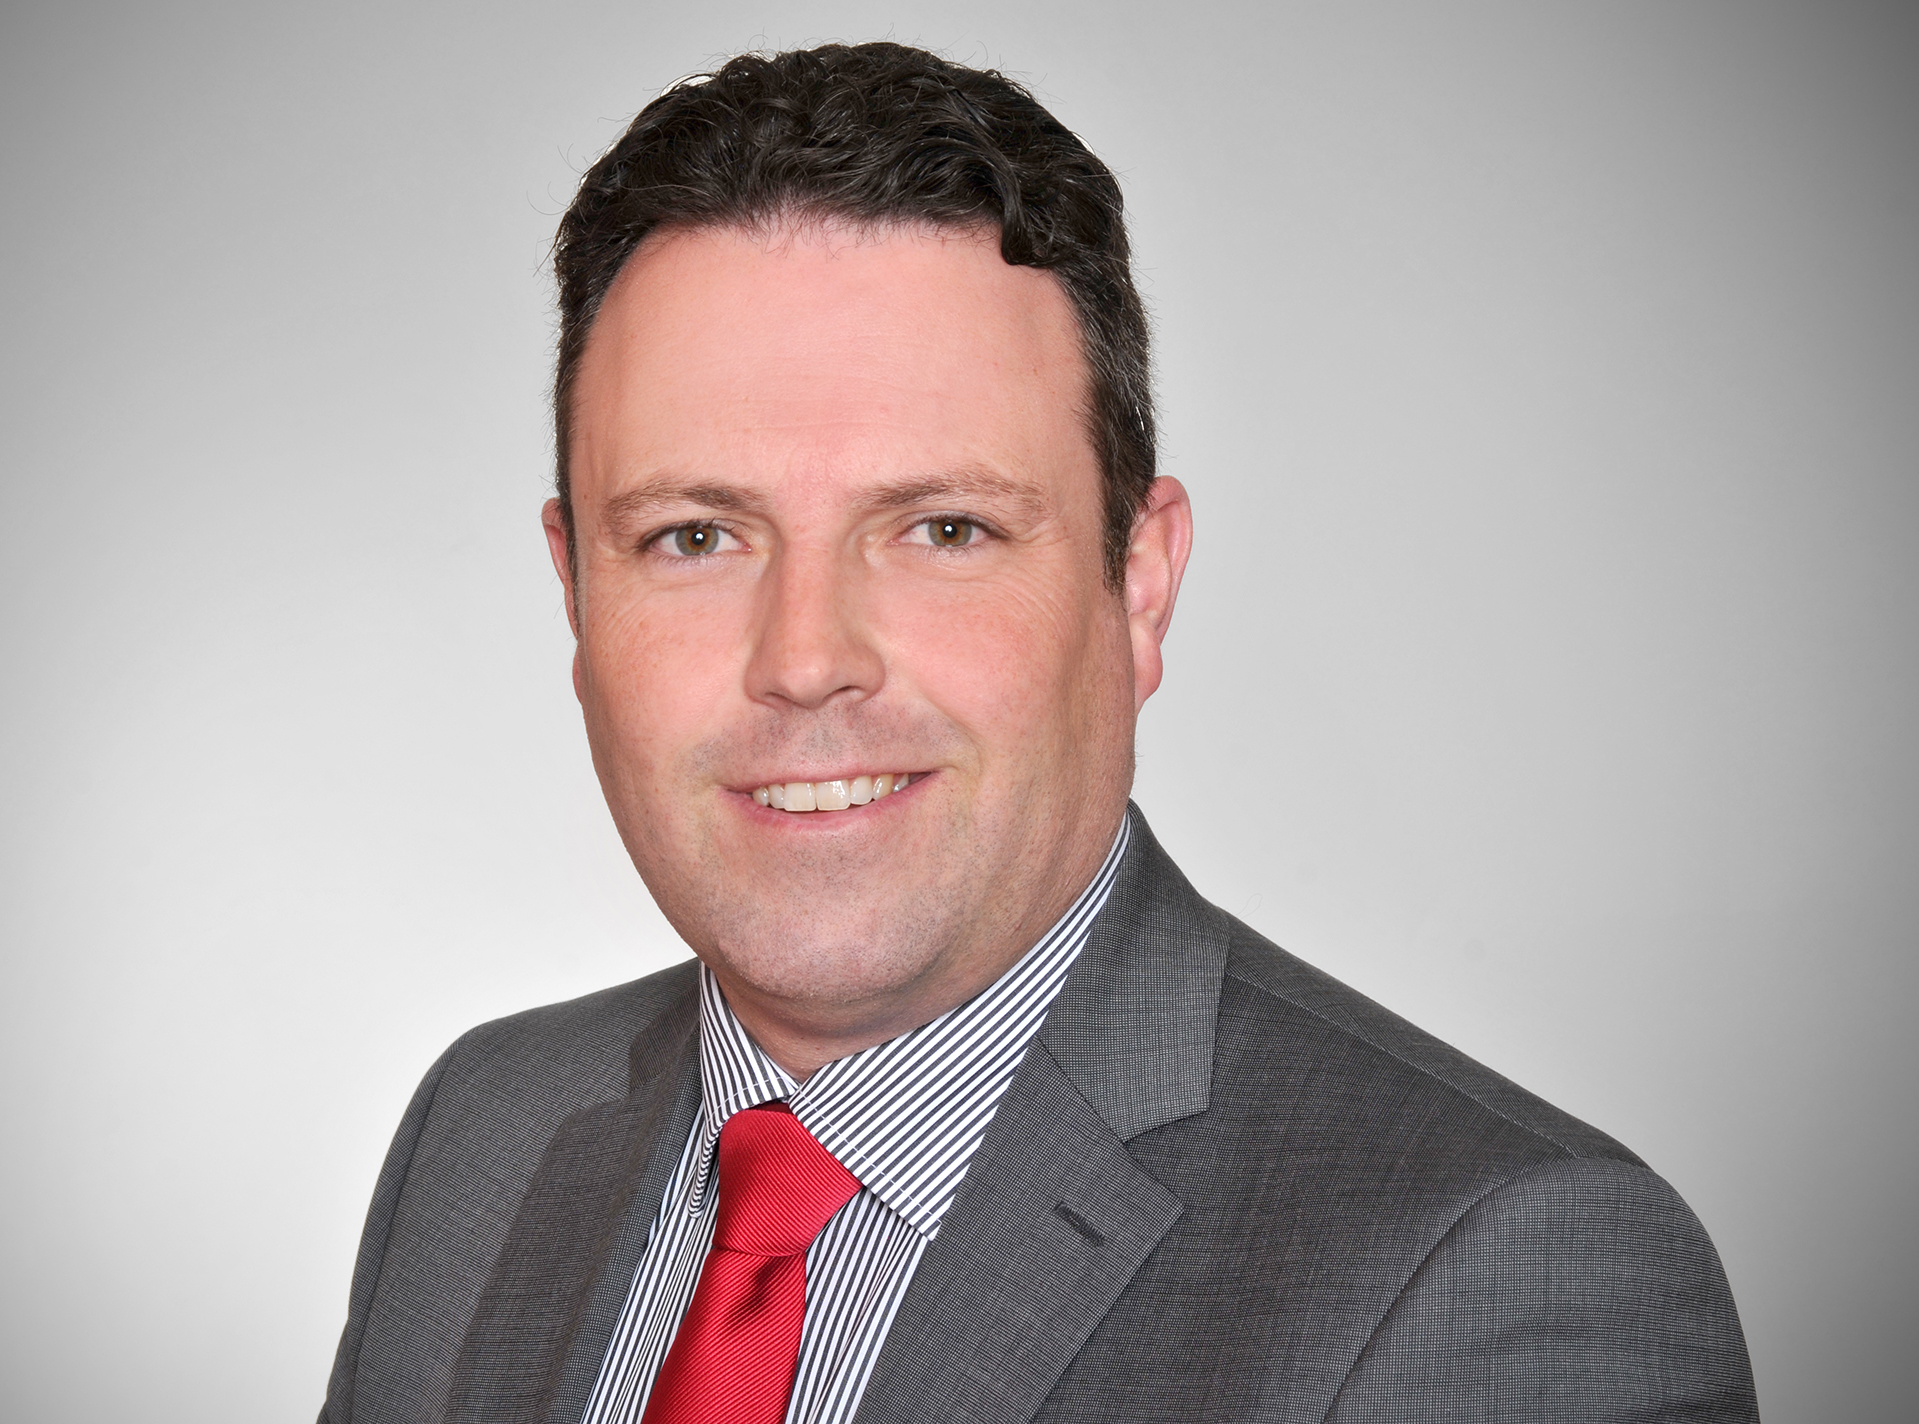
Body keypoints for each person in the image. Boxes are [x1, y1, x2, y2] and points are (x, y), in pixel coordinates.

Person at [319, 42, 1756, 1424]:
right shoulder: (485, 1130)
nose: (806, 661)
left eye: (944, 529)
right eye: (695, 535)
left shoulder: (1499, 1277)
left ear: (1140, 585)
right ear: (576, 592)